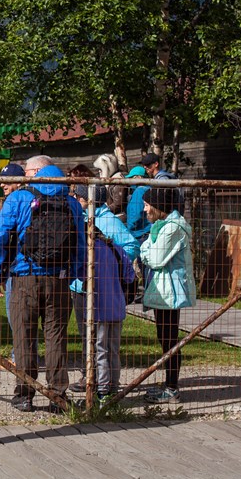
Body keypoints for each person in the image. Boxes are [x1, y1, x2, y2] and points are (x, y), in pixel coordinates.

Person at [0, 155, 85, 412]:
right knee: (56, 337)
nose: (23, 176)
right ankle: (57, 394)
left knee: (24, 337)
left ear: (38, 171)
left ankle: (25, 393)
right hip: (59, 279)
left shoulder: (18, 199)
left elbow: (2, 239)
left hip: (24, 277)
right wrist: (73, 273)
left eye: (27, 172)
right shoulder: (72, 203)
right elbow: (80, 245)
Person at [69, 164, 138, 391]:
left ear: (87, 200)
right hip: (81, 286)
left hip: (96, 288)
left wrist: (111, 264)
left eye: (78, 196)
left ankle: (97, 381)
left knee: (97, 339)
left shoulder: (107, 222)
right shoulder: (82, 218)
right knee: (87, 335)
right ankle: (90, 375)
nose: (75, 200)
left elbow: (130, 245)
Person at [139, 186, 196, 403]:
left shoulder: (172, 228)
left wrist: (145, 250)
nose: (144, 210)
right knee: (165, 339)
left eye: (147, 205)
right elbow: (149, 248)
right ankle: (168, 384)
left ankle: (172, 387)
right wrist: (148, 247)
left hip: (170, 292)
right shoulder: (160, 227)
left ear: (157, 206)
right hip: (163, 290)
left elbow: (154, 258)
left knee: (170, 341)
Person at [88, 228, 138, 403]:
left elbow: (80, 275)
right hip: (117, 306)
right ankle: (115, 387)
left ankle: (102, 390)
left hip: (98, 307)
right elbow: (130, 276)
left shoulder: (90, 251)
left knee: (100, 350)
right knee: (114, 350)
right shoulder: (116, 248)